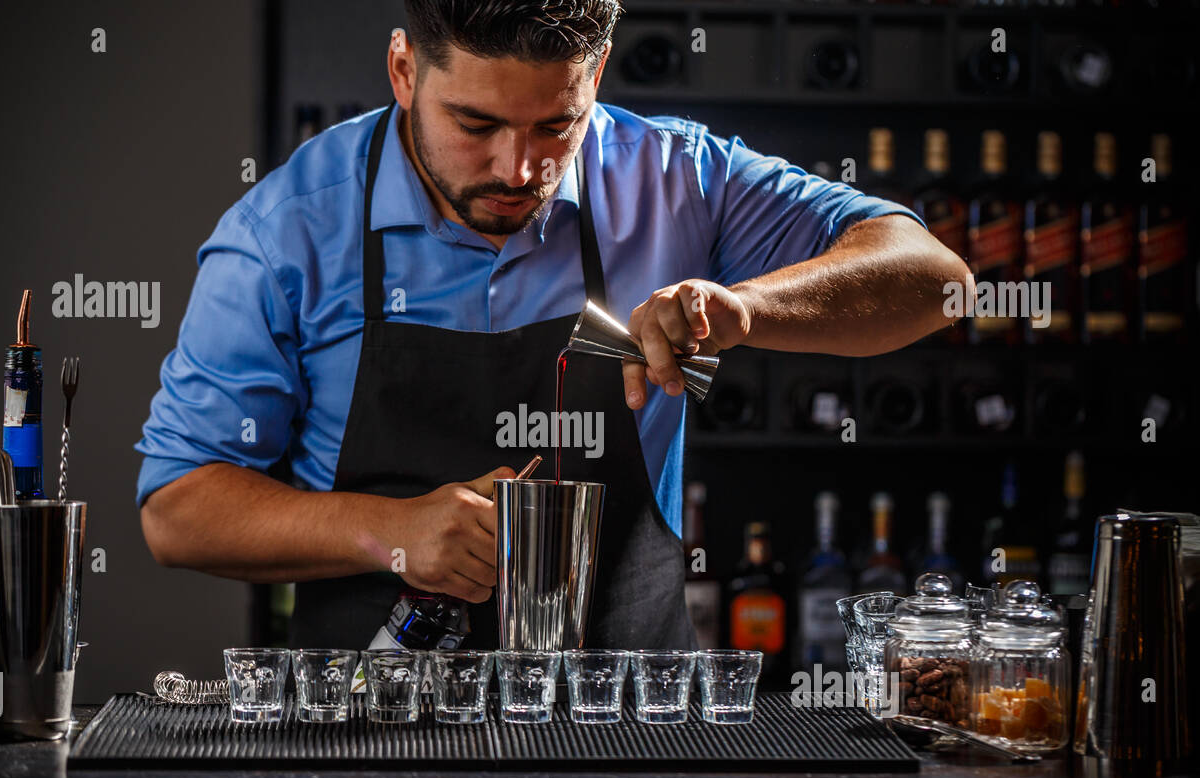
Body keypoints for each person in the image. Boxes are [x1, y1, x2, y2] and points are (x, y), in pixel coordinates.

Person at [136, 0, 970, 651]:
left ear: (597, 72)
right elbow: (177, 509)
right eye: (476, 125)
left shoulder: (675, 180)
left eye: (554, 126)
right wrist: (387, 532)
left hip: (631, 726)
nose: (517, 168)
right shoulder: (286, 229)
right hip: (367, 727)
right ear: (402, 70)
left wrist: (745, 308)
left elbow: (936, 279)